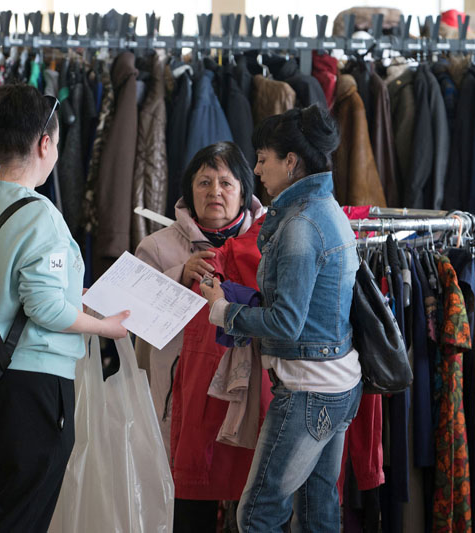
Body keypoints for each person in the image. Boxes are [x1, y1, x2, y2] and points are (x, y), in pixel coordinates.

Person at [0, 84, 129, 532]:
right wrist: (105, 328)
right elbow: (45, 308)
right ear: (45, 143)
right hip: (31, 389)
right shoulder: (40, 214)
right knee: (22, 518)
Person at [200, 105, 362, 532]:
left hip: (309, 389)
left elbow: (287, 323)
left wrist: (223, 310)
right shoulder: (328, 210)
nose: (255, 168)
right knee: (316, 510)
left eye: (263, 158)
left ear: (291, 162)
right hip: (338, 382)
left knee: (257, 515)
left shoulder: (300, 224)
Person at [134, 141, 265, 532]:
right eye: (204, 182)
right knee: (188, 511)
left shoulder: (269, 242)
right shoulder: (156, 247)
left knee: (250, 506)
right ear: (189, 190)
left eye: (226, 183)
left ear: (244, 190)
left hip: (247, 397)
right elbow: (132, 318)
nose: (215, 192)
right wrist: (179, 274)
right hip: (181, 405)